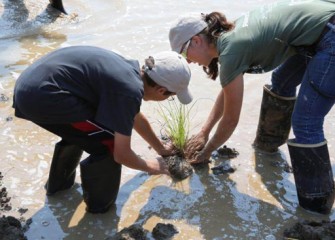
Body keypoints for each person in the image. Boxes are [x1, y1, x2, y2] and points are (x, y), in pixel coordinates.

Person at [169, 0, 335, 214]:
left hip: (329, 34)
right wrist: (204, 132)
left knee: (306, 122)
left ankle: (317, 207)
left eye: (183, 55)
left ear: (196, 41)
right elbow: (230, 91)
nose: (188, 62)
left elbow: (231, 119)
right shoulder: (228, 35)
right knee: (282, 81)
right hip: (318, 30)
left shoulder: (231, 50)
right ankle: (268, 146)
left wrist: (206, 152)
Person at [13, 46, 192, 214]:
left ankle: (58, 188)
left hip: (31, 85)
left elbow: (134, 116)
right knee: (108, 141)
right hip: (42, 96)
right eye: (171, 97)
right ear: (161, 90)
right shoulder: (129, 91)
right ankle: (99, 210)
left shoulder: (129, 71)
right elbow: (121, 154)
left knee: (86, 131)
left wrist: (160, 148)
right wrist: (152, 166)